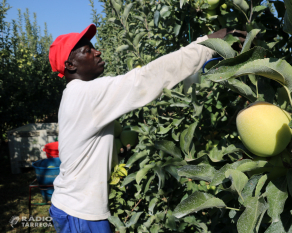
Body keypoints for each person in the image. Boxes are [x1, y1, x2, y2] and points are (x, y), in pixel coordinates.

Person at [48, 24, 245, 232]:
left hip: (74, 208)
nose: (97, 51)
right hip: (80, 213)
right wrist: (208, 44)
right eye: (88, 51)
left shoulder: (76, 95)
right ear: (70, 65)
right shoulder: (85, 94)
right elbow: (145, 79)